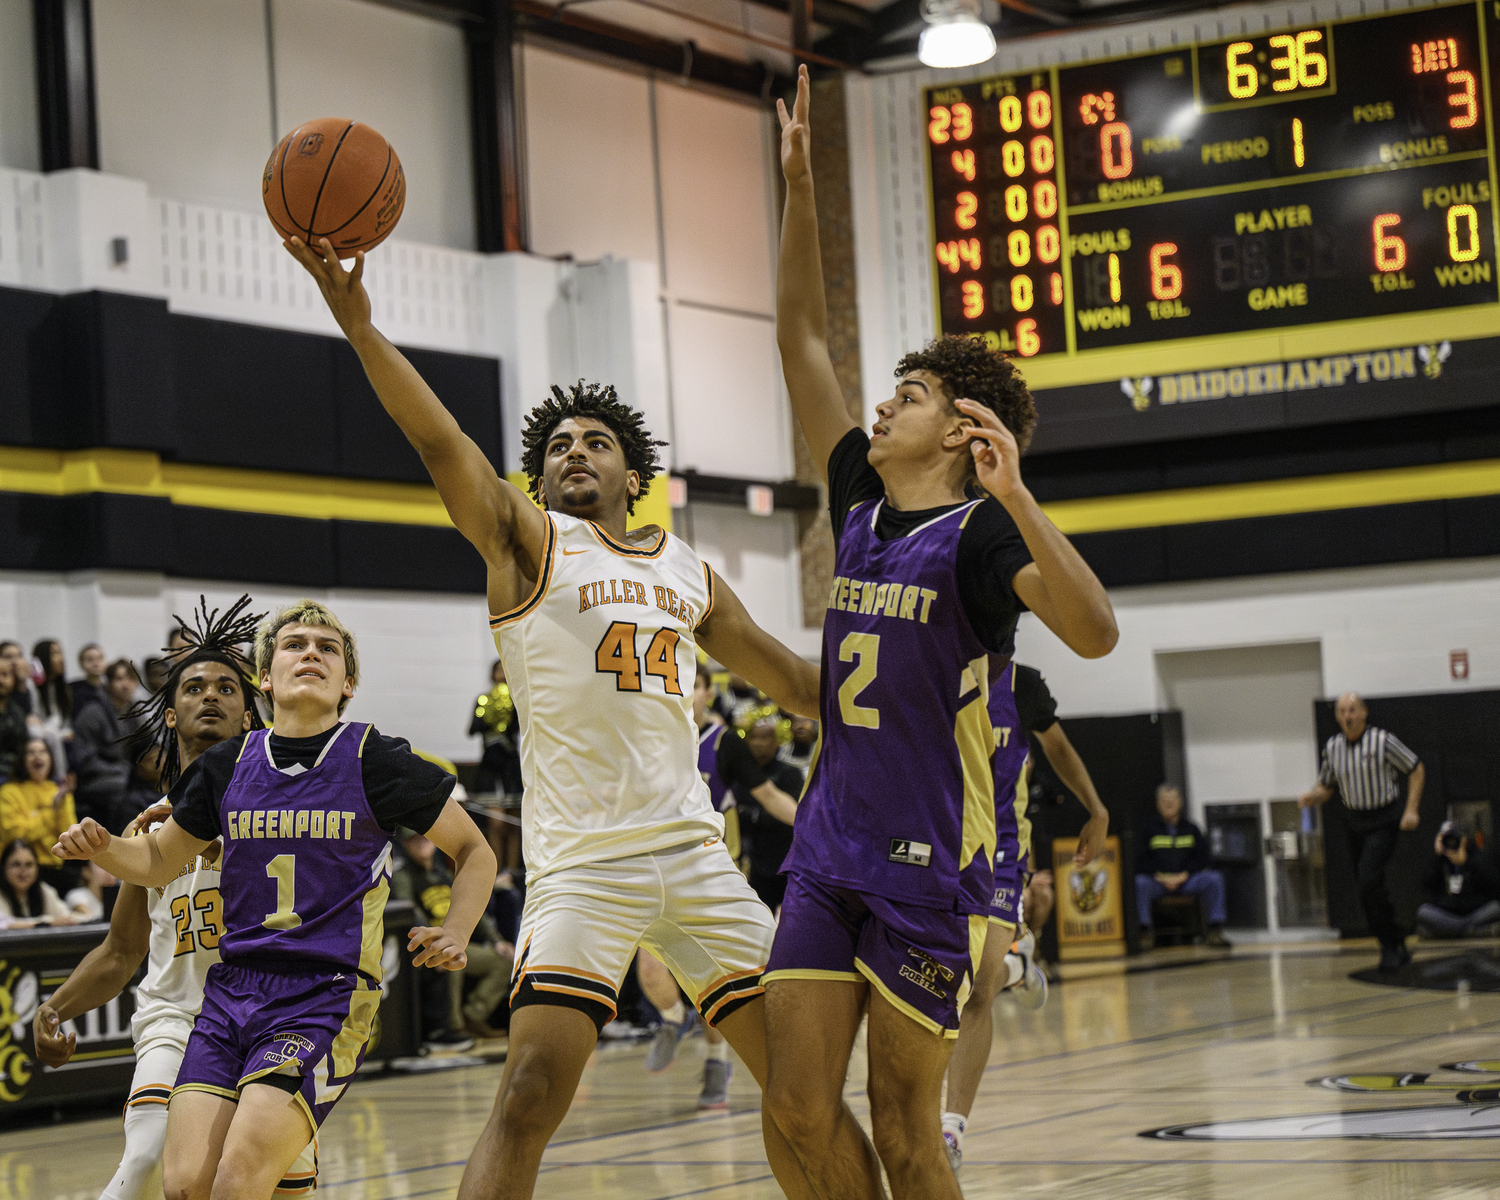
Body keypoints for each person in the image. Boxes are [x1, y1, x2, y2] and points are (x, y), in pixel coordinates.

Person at [286, 233, 822, 1200]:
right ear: (540, 479)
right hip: (584, 867)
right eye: (557, 446)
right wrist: (361, 329)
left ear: (633, 474)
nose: (574, 452)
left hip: (697, 857)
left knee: (804, 1092)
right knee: (529, 1091)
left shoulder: (688, 569)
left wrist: (909, 693)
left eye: (596, 443)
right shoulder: (529, 539)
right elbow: (440, 441)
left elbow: (790, 677)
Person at [767, 67, 1118, 1200]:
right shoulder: (860, 501)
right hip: (828, 853)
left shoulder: (976, 541)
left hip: (930, 868)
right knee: (792, 1111)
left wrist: (1019, 499)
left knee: (908, 1131)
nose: (882, 403)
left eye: (909, 392)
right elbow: (800, 337)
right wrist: (792, 187)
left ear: (965, 435)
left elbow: (1097, 632)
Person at [52, 599, 496, 1200]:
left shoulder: (375, 759)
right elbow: (158, 859)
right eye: (294, 644)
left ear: (349, 682)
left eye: (327, 648)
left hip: (324, 995)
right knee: (185, 1185)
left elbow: (475, 850)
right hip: (231, 991)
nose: (310, 652)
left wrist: (459, 929)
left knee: (238, 1180)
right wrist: (103, 846)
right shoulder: (225, 766)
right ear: (266, 676)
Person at [34, 597, 322, 1200]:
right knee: (144, 1160)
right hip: (177, 1021)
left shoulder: (287, 808)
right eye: (193, 687)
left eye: (226, 687)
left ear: (250, 716)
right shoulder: (147, 831)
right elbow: (120, 951)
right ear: (169, 714)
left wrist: (233, 850)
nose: (210, 695)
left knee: (278, 1189)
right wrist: (55, 1008)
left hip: (273, 1018)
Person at [939, 657, 1109, 1171]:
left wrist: (1095, 809)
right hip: (940, 846)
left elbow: (1057, 748)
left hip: (1000, 855)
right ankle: (1021, 966)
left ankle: (950, 1132)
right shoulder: (937, 664)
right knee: (945, 984)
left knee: (976, 993)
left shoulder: (1023, 685)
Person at [1300, 692, 1424, 973]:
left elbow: (1416, 768)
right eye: (1342, 711)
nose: (1348, 716)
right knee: (1365, 888)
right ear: (1337, 717)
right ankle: (1393, 939)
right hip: (1354, 820)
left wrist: (1411, 809)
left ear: (1364, 713)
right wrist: (1311, 796)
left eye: (1353, 710)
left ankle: (1391, 945)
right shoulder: (1333, 747)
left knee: (1369, 878)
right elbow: (1326, 786)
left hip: (1383, 818)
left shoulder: (1382, 741)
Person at [394, 830, 514, 1042]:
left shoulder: (444, 874)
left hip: (457, 938)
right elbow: (410, 912)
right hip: (428, 944)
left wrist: (497, 941)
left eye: (426, 837)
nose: (422, 843)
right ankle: (452, 1029)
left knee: (502, 961)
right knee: (449, 957)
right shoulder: (403, 875)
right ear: (405, 844)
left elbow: (470, 907)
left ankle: (473, 1017)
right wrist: (431, 943)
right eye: (415, 839)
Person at [1134, 785, 1229, 947]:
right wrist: (1160, 877)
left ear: (1180, 803)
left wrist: (1184, 875)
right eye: (1164, 801)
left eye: (1172, 800)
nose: (1168, 804)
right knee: (1140, 883)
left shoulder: (1192, 829)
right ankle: (1144, 933)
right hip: (1158, 882)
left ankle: (1215, 931)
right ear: (1158, 804)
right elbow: (1140, 859)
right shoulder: (1148, 829)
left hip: (1187, 880)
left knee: (1214, 879)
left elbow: (1203, 858)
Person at [735, 716, 802, 913]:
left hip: (787, 862)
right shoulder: (741, 775)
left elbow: (791, 818)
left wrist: (749, 815)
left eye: (765, 738)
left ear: (777, 741)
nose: (758, 743)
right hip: (755, 864)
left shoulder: (791, 774)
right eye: (753, 737)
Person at [71, 659, 142, 829]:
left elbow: (148, 747)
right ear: (108, 683)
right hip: (96, 779)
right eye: (119, 679)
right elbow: (84, 759)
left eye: (130, 679)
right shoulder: (92, 713)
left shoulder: (135, 713)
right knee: (125, 795)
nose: (125, 685)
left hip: (125, 775)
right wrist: (122, 772)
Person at [1, 736, 79, 891]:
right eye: (31, 752)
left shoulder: (60, 793)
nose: (37, 756)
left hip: (54, 867)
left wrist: (61, 802)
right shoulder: (8, 792)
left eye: (43, 751)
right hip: (19, 868)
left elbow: (69, 836)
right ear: (22, 760)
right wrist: (51, 811)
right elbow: (17, 834)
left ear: (50, 759)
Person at [1417, 822, 1500, 939]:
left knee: (1495, 907)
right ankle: (1472, 932)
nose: (1451, 843)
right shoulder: (1441, 860)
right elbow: (1426, 884)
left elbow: (1494, 885)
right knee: (1423, 911)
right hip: (1448, 914)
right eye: (1446, 839)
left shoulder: (1477, 856)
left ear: (1464, 840)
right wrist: (1437, 856)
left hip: (1476, 912)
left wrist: (1466, 862)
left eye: (1455, 839)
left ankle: (1449, 933)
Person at [471, 659, 522, 798]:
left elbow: (520, 728)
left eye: (505, 670)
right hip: (491, 757)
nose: (501, 674)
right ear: (492, 673)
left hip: (510, 755)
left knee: (514, 799)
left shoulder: (516, 701)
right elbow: (472, 730)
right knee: (491, 799)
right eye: (498, 670)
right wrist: (488, 719)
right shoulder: (483, 700)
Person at [0, 838, 75, 927]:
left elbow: (66, 918)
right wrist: (48, 923)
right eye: (16, 864)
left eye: (29, 864)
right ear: (4, 868)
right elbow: (4, 924)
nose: (23, 871)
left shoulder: (44, 890)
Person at [0, 657, 28, 782]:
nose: (1, 680)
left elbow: (23, 747)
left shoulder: (16, 711)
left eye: (5, 675)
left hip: (15, 774)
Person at [72, 643, 109, 717]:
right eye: (90, 660)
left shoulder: (109, 690)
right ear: (81, 663)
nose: (96, 663)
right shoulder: (74, 689)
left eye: (99, 658)